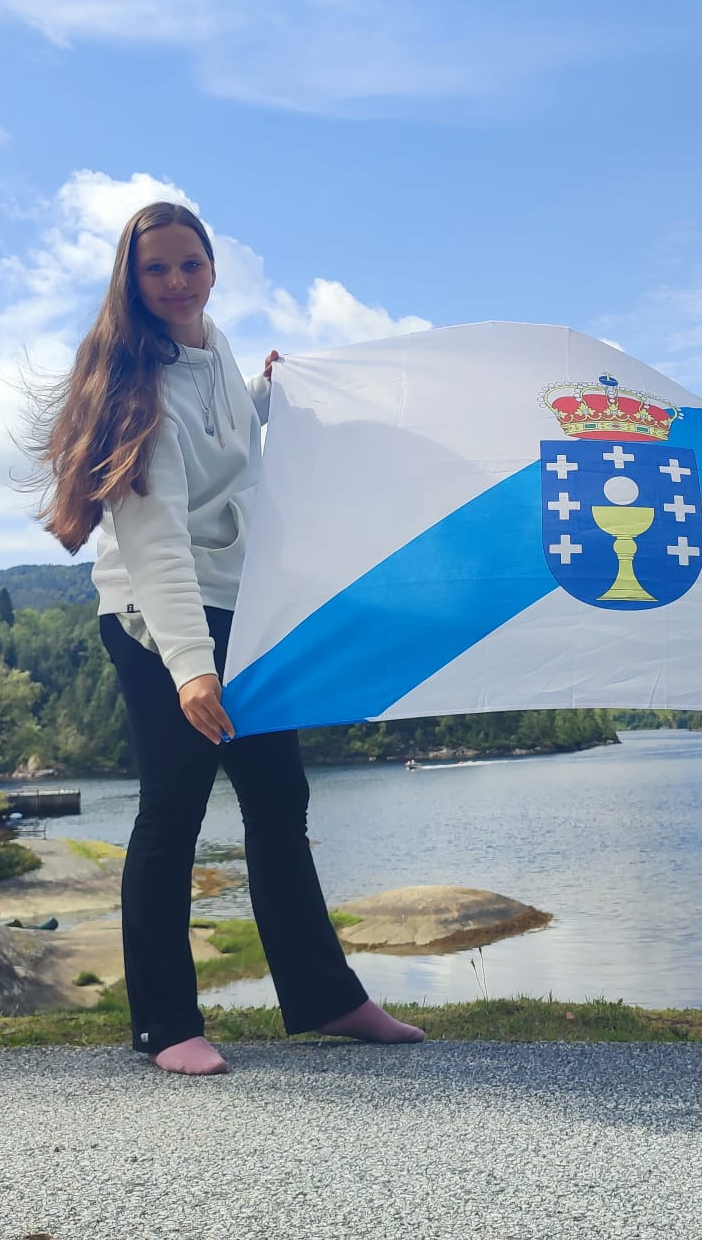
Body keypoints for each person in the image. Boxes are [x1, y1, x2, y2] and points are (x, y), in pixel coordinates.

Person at [32, 199, 423, 1076]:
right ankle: (166, 1026)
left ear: (213, 267)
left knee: (280, 802)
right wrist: (189, 672)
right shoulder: (134, 390)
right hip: (155, 620)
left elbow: (225, 443)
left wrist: (262, 396)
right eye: (156, 269)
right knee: (173, 811)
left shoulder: (215, 350)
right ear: (130, 281)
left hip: (243, 606)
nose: (175, 282)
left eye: (189, 265)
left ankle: (326, 1000)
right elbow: (156, 542)